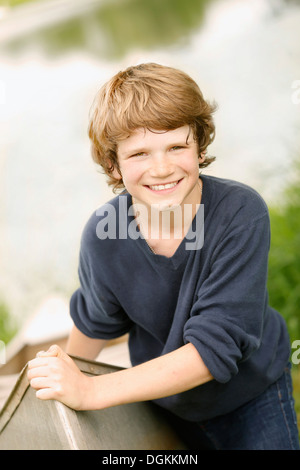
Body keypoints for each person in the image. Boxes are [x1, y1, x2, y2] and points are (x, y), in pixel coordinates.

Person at [27, 63, 299, 450]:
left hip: (254, 395)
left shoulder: (240, 213)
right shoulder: (103, 234)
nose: (162, 168)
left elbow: (213, 350)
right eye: (139, 153)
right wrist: (67, 379)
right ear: (113, 164)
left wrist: (91, 391)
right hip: (168, 403)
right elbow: (94, 322)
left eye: (176, 146)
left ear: (200, 146)